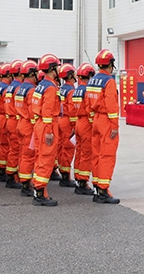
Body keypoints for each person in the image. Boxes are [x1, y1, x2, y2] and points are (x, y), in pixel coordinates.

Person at [85, 49, 121, 204]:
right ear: (110, 64)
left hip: (96, 120)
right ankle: (103, 190)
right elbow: (111, 105)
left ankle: (97, 187)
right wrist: (114, 126)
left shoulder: (92, 80)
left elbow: (87, 104)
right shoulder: (109, 81)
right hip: (106, 121)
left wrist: (92, 119)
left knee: (96, 154)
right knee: (107, 155)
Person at [31, 53, 62, 207]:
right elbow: (48, 110)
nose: (59, 70)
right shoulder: (50, 87)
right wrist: (49, 131)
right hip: (47, 125)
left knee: (40, 157)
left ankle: (39, 190)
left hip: (40, 123)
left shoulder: (41, 85)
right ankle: (39, 193)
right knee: (46, 158)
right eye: (57, 67)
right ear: (52, 69)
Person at [15, 60, 39, 197]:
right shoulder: (31, 90)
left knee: (22, 154)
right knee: (28, 156)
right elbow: (32, 111)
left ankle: (23, 180)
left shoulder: (20, 88)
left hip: (21, 123)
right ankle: (25, 185)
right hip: (28, 125)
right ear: (32, 74)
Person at [72, 63, 96, 195]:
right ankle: (82, 182)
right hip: (86, 123)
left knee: (79, 152)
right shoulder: (87, 90)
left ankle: (78, 177)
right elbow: (89, 109)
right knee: (87, 153)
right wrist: (94, 125)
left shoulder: (77, 90)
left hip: (78, 122)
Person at [3, 60, 24, 189]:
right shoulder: (18, 88)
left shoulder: (10, 86)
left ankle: (12, 175)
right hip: (16, 120)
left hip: (9, 119)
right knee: (16, 150)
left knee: (12, 149)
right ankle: (11, 177)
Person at [57, 64, 77, 188]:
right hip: (68, 122)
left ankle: (62, 173)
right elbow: (72, 110)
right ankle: (65, 176)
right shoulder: (71, 91)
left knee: (60, 147)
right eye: (74, 73)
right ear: (70, 76)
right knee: (68, 149)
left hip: (59, 119)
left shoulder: (60, 89)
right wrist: (75, 126)